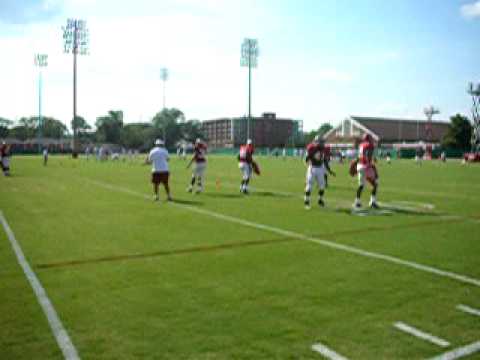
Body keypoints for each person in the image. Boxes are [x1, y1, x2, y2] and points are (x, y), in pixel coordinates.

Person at [304, 135, 335, 208]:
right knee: (309, 186)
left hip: (320, 168)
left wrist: (329, 170)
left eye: (323, 142)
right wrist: (309, 163)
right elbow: (306, 159)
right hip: (313, 168)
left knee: (322, 186)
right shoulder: (312, 148)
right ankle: (307, 201)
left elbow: (324, 160)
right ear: (317, 142)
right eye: (321, 142)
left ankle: (320, 200)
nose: (323, 143)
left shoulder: (323, 149)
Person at [353, 134, 379, 209]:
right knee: (375, 184)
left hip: (360, 166)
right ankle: (372, 202)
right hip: (366, 166)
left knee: (361, 185)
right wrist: (369, 163)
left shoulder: (361, 145)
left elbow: (361, 155)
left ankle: (357, 201)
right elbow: (367, 154)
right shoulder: (369, 145)